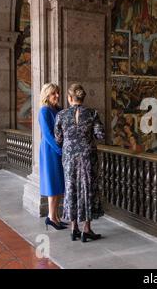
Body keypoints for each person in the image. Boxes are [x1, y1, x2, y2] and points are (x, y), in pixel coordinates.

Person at [54, 83, 106, 243]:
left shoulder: (61, 115)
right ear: (82, 98)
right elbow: (100, 135)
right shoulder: (92, 113)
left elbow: (58, 138)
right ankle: (86, 229)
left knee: (71, 188)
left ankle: (74, 228)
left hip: (69, 157)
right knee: (87, 188)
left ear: (69, 98)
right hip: (87, 156)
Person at [39, 83, 66, 231]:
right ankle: (50, 217)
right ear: (47, 96)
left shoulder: (59, 109)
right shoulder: (44, 111)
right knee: (52, 183)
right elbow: (48, 135)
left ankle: (56, 217)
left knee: (59, 184)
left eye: (57, 93)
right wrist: (60, 151)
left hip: (60, 150)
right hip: (50, 151)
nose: (56, 96)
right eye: (53, 93)